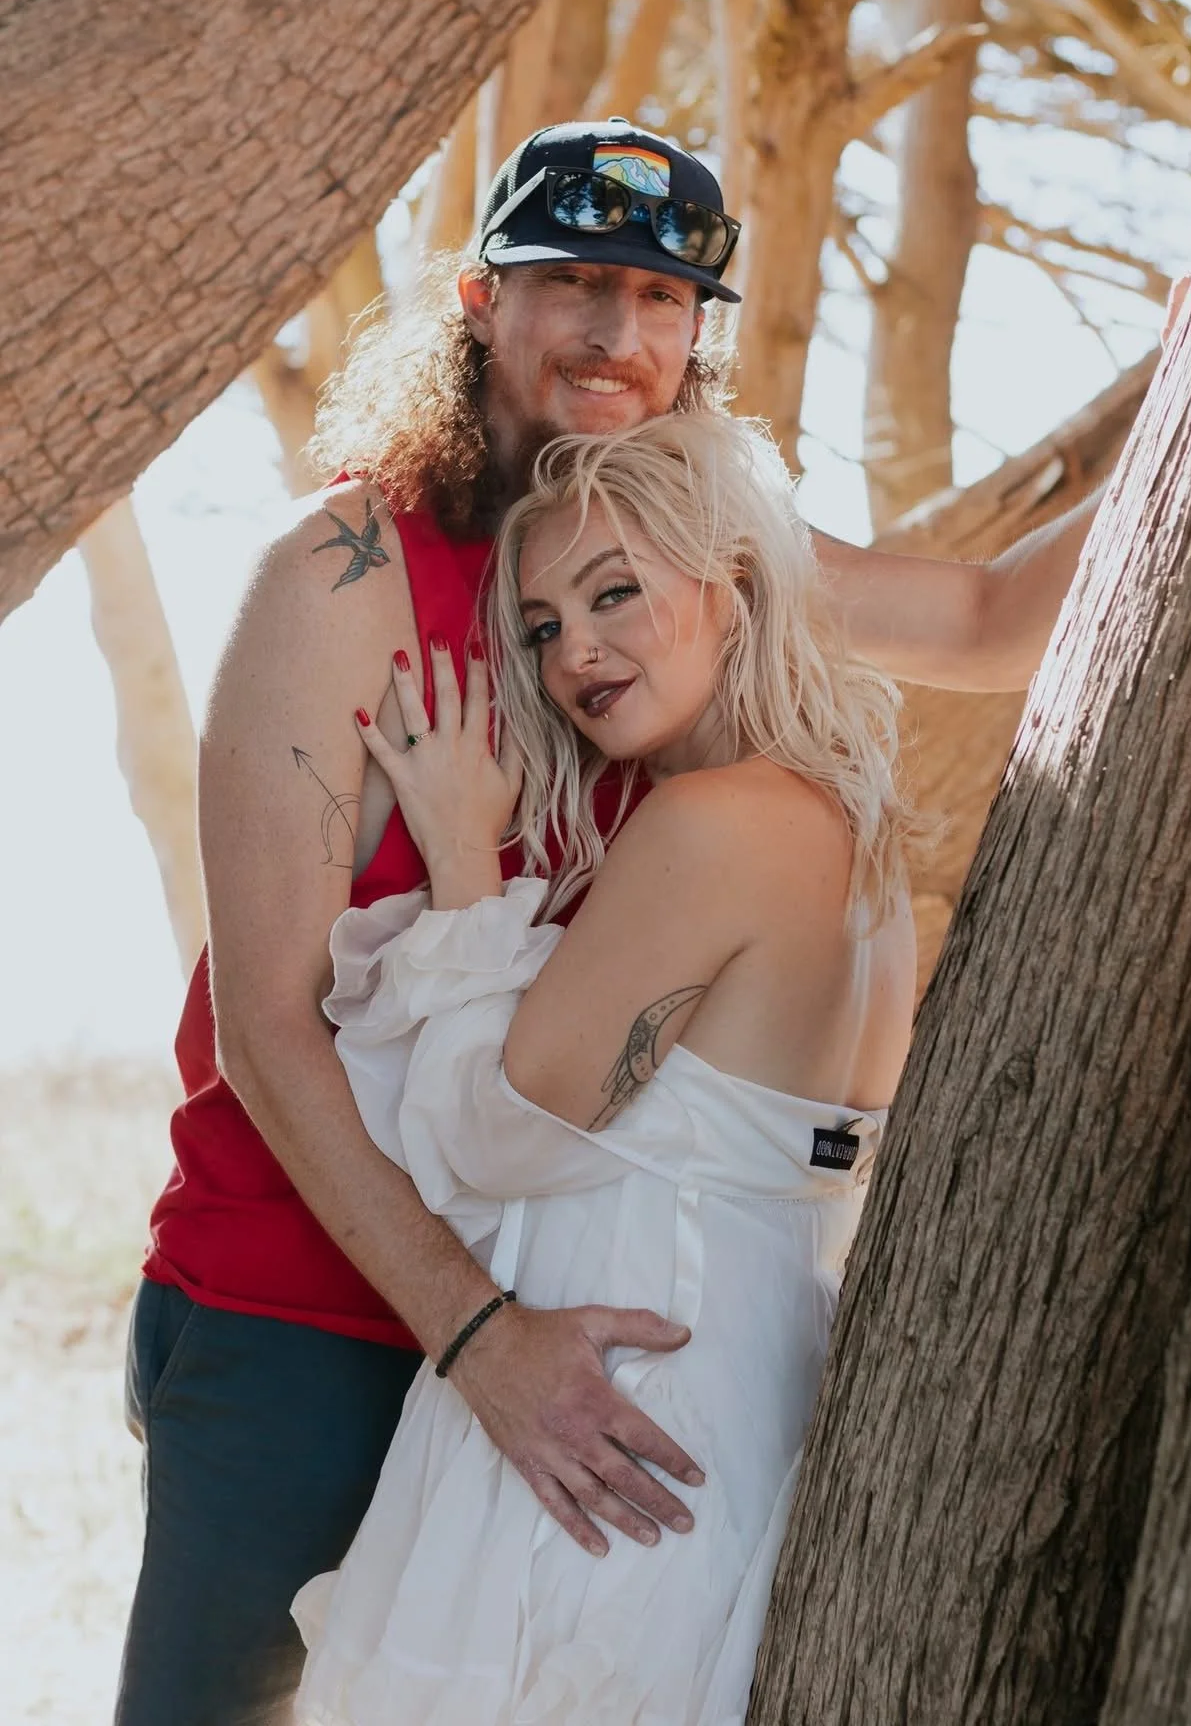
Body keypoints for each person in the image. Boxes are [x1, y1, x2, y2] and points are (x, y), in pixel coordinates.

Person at [115, 117, 1104, 1726]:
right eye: (574, 281)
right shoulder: (345, 572)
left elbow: (991, 621)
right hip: (304, 1315)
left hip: (571, 1330)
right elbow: (267, 1029)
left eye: (660, 297)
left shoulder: (691, 558)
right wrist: (480, 1338)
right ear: (479, 300)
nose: (616, 333)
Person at [293, 408, 920, 1724]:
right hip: (736, 1402)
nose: (574, 649)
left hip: (613, 1427)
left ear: (732, 582)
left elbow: (491, 1140)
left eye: (614, 591)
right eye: (540, 625)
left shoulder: (712, 823)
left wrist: (462, 862)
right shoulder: (853, 834)